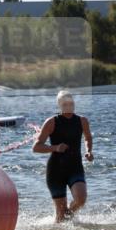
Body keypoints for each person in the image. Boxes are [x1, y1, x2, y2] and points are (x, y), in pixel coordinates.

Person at [33, 90, 93, 222]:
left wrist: (88, 151)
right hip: (56, 170)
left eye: (71, 103)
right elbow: (36, 147)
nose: (69, 106)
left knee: (81, 199)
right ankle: (61, 228)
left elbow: (88, 137)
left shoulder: (82, 121)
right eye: (65, 104)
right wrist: (55, 147)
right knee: (60, 216)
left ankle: (68, 217)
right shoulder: (51, 122)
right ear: (60, 105)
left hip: (75, 167)